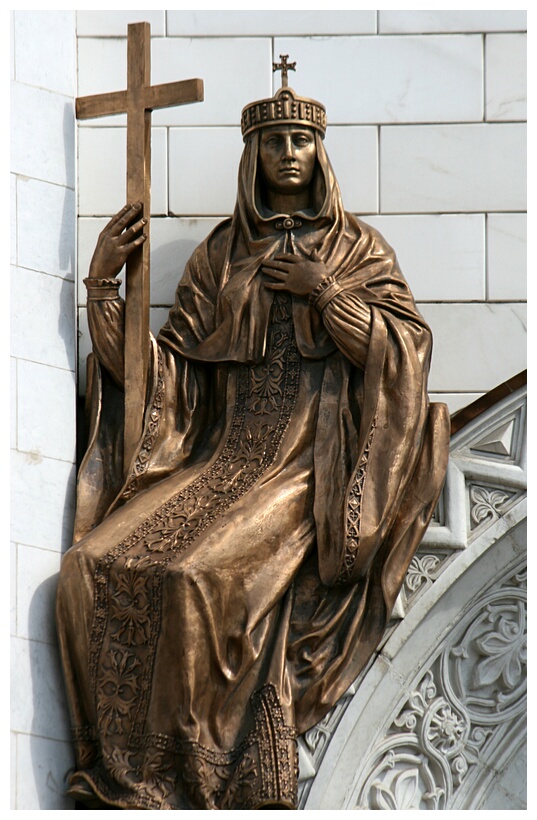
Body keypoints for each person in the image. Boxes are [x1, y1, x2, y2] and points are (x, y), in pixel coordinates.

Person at [56, 77, 450, 810]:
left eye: (301, 140)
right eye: (274, 141)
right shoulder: (218, 256)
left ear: (320, 154)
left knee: (192, 577)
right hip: (219, 456)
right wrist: (103, 285)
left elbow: (404, 353)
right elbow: (164, 378)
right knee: (90, 564)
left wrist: (325, 292)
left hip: (307, 461)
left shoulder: (357, 248)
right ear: (253, 155)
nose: (288, 154)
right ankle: (116, 771)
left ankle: (187, 773)